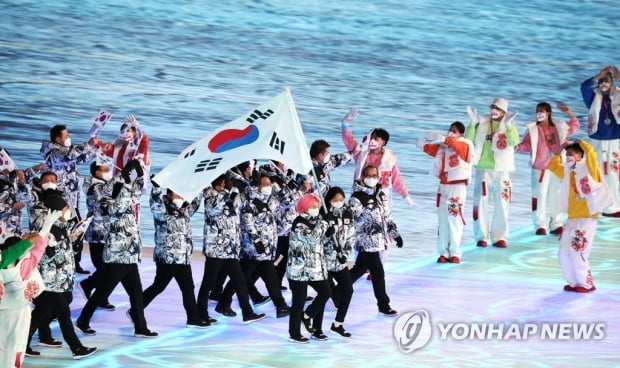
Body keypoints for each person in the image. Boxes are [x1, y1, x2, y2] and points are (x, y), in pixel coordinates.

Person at [75, 159, 158, 338]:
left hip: (129, 254)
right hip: (118, 254)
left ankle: (140, 327)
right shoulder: (105, 202)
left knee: (136, 292)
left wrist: (140, 177)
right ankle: (82, 320)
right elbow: (119, 206)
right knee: (105, 290)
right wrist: (126, 183)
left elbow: (135, 193)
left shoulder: (126, 197)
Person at [26, 194, 98, 359]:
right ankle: (77, 348)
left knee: (38, 315)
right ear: (55, 212)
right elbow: (43, 255)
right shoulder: (47, 229)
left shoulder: (62, 228)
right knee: (64, 315)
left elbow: (65, 253)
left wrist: (74, 241)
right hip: (51, 281)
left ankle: (22, 344)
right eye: (65, 210)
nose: (68, 213)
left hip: (59, 280)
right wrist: (56, 246)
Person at [216, 173, 288, 320]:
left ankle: (281, 306)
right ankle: (224, 303)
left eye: (269, 184)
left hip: (266, 250)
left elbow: (286, 201)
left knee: (269, 278)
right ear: (257, 186)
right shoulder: (249, 200)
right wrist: (256, 241)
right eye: (265, 184)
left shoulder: (270, 201)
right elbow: (247, 221)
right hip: (253, 250)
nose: (268, 187)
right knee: (241, 278)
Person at [196, 174, 266, 324]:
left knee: (240, 281)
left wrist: (253, 186)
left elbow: (247, 198)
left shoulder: (231, 196)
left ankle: (248, 313)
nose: (227, 185)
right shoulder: (210, 196)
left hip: (231, 250)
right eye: (224, 183)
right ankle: (200, 313)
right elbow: (214, 208)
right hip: (216, 250)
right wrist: (228, 194)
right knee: (208, 284)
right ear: (218, 185)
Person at [140, 181, 210, 328]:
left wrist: (200, 185)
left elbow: (196, 202)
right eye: (177, 194)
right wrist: (156, 188)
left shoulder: (184, 209)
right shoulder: (162, 210)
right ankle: (136, 310)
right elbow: (154, 202)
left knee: (188, 288)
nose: (180, 197)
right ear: (169, 195)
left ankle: (193, 318)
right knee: (158, 286)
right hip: (167, 257)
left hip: (183, 258)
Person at [548, 140, 612, 292]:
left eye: (571, 154)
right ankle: (573, 281)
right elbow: (553, 166)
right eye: (567, 154)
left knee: (578, 251)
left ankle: (586, 283)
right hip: (571, 218)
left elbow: (590, 153)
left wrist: (580, 142)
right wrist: (558, 152)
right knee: (563, 253)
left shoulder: (589, 168)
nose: (568, 156)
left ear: (579, 155)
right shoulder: (567, 170)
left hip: (586, 218)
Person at [0, 211, 58, 366]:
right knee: (16, 348)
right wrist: (46, 225)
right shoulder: (27, 263)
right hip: (19, 313)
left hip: (2, 312)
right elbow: (39, 244)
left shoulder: (3, 261)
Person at [40, 124, 99, 274]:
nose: (68, 138)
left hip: (72, 200)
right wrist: (89, 144)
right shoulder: (53, 153)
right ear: (57, 138)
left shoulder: (66, 151)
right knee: (69, 232)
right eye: (66, 136)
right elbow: (70, 155)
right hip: (60, 202)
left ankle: (75, 263)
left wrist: (98, 149)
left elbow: (79, 158)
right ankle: (67, 262)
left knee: (77, 231)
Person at [515, 103, 581, 235]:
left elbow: (575, 125)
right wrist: (512, 145)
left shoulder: (559, 126)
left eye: (542, 111)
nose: (539, 113)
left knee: (556, 195)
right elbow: (526, 145)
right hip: (540, 168)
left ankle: (557, 223)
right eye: (537, 111)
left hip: (557, 166)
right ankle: (540, 225)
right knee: (539, 196)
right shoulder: (533, 129)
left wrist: (569, 112)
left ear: (549, 113)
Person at [465, 98, 519, 248]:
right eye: (493, 107)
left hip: (502, 171)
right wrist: (472, 123)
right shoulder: (482, 122)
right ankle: (481, 236)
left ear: (504, 112)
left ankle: (499, 236)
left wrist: (508, 126)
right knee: (480, 202)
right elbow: (468, 141)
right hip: (483, 169)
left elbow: (514, 142)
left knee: (502, 203)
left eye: (498, 109)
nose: (494, 111)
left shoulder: (509, 124)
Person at [349, 165, 401, 316]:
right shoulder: (357, 197)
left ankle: (335, 292)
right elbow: (352, 220)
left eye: (374, 175)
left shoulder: (380, 195)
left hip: (378, 241)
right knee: (378, 273)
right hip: (365, 241)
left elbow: (387, 216)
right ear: (363, 176)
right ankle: (383, 305)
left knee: (359, 270)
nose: (372, 178)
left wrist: (395, 233)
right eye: (368, 175)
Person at [341, 108, 416, 211]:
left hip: (382, 197)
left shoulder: (389, 159)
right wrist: (345, 124)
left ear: (383, 142)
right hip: (361, 195)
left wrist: (406, 196)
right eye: (371, 138)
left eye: (376, 139)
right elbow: (349, 140)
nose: (372, 141)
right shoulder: (361, 153)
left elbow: (396, 179)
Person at [421, 121, 474, 264]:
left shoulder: (466, 143)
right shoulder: (445, 146)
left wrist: (445, 139)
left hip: (457, 188)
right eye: (450, 130)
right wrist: (422, 145)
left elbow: (458, 147)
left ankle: (455, 252)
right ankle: (443, 252)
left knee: (455, 220)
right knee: (443, 221)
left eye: (455, 131)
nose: (451, 133)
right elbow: (433, 150)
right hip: (443, 188)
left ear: (461, 134)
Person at [287, 193, 332, 343]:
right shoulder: (298, 223)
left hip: (316, 268)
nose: (316, 209)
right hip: (298, 270)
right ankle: (294, 333)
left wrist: (329, 232)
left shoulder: (318, 221)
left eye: (317, 206)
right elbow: (312, 238)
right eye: (313, 207)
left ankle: (308, 318)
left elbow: (320, 241)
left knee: (325, 292)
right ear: (305, 208)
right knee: (298, 302)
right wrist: (325, 225)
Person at [580, 65, 620, 217]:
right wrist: (598, 75)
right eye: (601, 81)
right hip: (597, 138)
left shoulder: (618, 94)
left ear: (612, 82)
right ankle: (602, 206)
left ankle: (612, 206)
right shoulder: (593, 96)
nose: (603, 83)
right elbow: (584, 86)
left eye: (607, 80)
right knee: (598, 172)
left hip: (616, 138)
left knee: (614, 173)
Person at [78, 162, 116, 311]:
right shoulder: (91, 184)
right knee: (104, 267)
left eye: (108, 169)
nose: (108, 172)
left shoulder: (108, 184)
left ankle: (96, 293)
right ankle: (90, 287)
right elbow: (101, 193)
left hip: (108, 232)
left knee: (108, 268)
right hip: (96, 232)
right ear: (96, 172)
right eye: (105, 170)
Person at [321, 187, 355, 337]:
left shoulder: (347, 214)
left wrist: (345, 254)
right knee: (324, 294)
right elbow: (316, 239)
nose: (339, 203)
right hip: (324, 262)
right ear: (329, 200)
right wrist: (326, 234)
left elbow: (351, 237)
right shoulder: (323, 215)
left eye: (341, 200)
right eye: (335, 200)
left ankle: (338, 324)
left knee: (348, 290)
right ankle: (312, 323)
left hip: (340, 261)